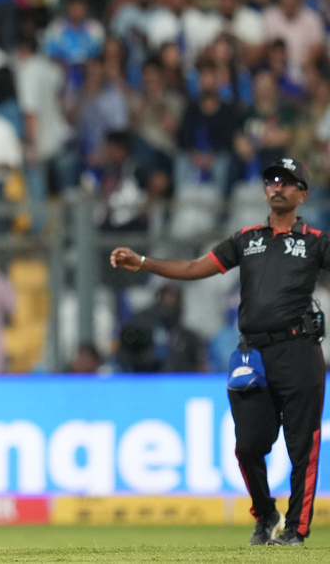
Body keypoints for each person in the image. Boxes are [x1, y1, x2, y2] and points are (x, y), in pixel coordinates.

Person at [110, 157, 326, 547]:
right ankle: (266, 513)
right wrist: (142, 262)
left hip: (299, 351)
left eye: (288, 182)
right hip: (253, 356)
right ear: (264, 190)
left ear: (302, 194)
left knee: (303, 447)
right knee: (247, 446)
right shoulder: (246, 239)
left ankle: (295, 531)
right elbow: (195, 268)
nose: (277, 186)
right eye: (272, 180)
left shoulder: (315, 241)